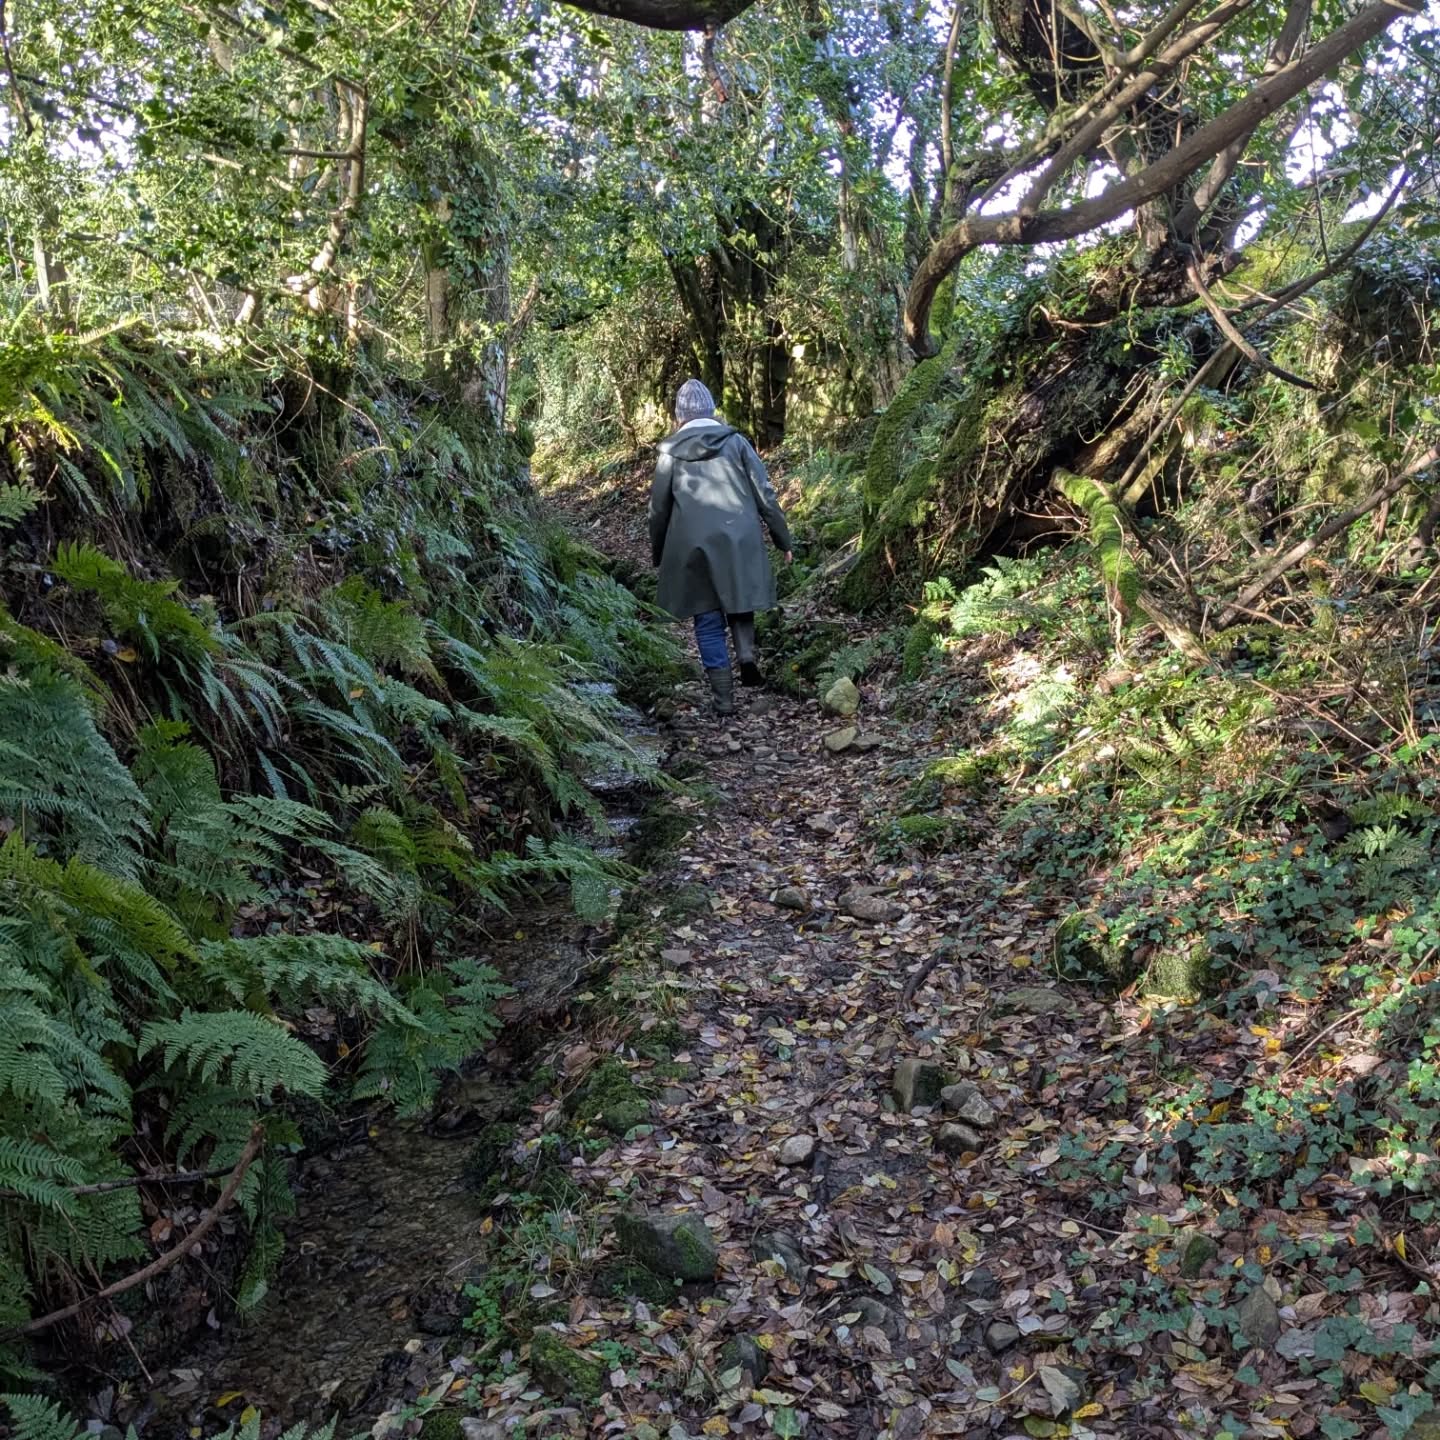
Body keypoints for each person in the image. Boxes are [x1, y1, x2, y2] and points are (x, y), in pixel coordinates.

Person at [649, 379, 793, 716]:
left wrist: (659, 553)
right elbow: (765, 494)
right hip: (739, 535)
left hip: (692, 546)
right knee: (739, 596)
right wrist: (782, 538)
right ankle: (746, 656)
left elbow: (658, 510)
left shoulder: (669, 453)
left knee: (707, 617)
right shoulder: (737, 443)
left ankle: (723, 699)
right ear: (712, 411)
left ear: (679, 416)